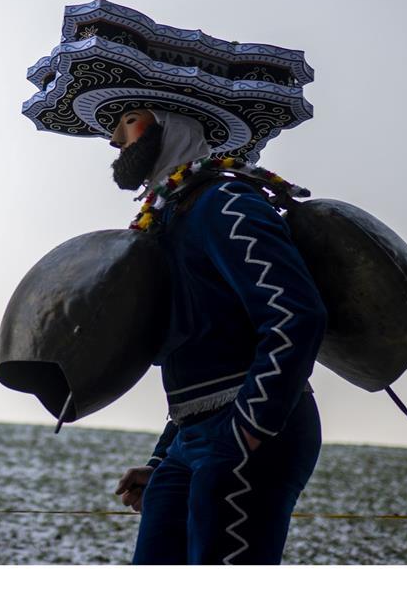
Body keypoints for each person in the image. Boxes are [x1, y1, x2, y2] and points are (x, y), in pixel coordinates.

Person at [110, 107, 327, 565]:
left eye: (128, 120)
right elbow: (197, 354)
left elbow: (295, 314)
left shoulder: (225, 200)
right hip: (190, 438)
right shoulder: (171, 215)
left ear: (173, 123)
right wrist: (160, 458)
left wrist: (250, 428)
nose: (115, 139)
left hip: (253, 429)